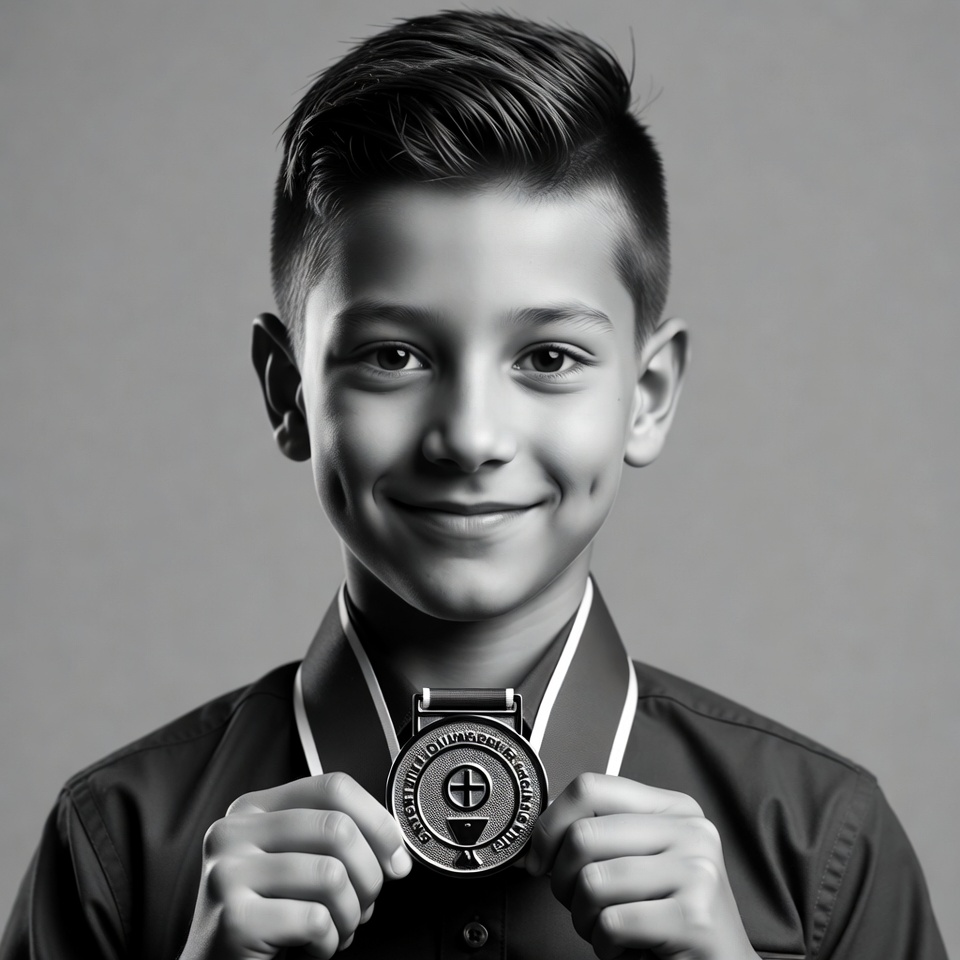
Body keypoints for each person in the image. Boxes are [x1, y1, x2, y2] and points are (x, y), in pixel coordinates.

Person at [1, 10, 947, 960]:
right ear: (289, 391)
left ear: (647, 396)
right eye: (394, 354)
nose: (471, 436)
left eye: (548, 356)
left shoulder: (825, 845)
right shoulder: (115, 847)